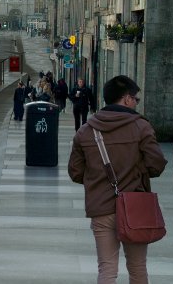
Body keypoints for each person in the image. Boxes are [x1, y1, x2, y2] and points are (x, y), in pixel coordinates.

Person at [68, 75, 167, 284]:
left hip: (101, 208)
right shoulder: (141, 127)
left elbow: (75, 172)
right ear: (127, 99)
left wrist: (96, 180)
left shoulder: (86, 131)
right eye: (136, 99)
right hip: (135, 207)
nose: (136, 104)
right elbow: (156, 165)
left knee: (107, 269)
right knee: (138, 267)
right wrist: (137, 172)